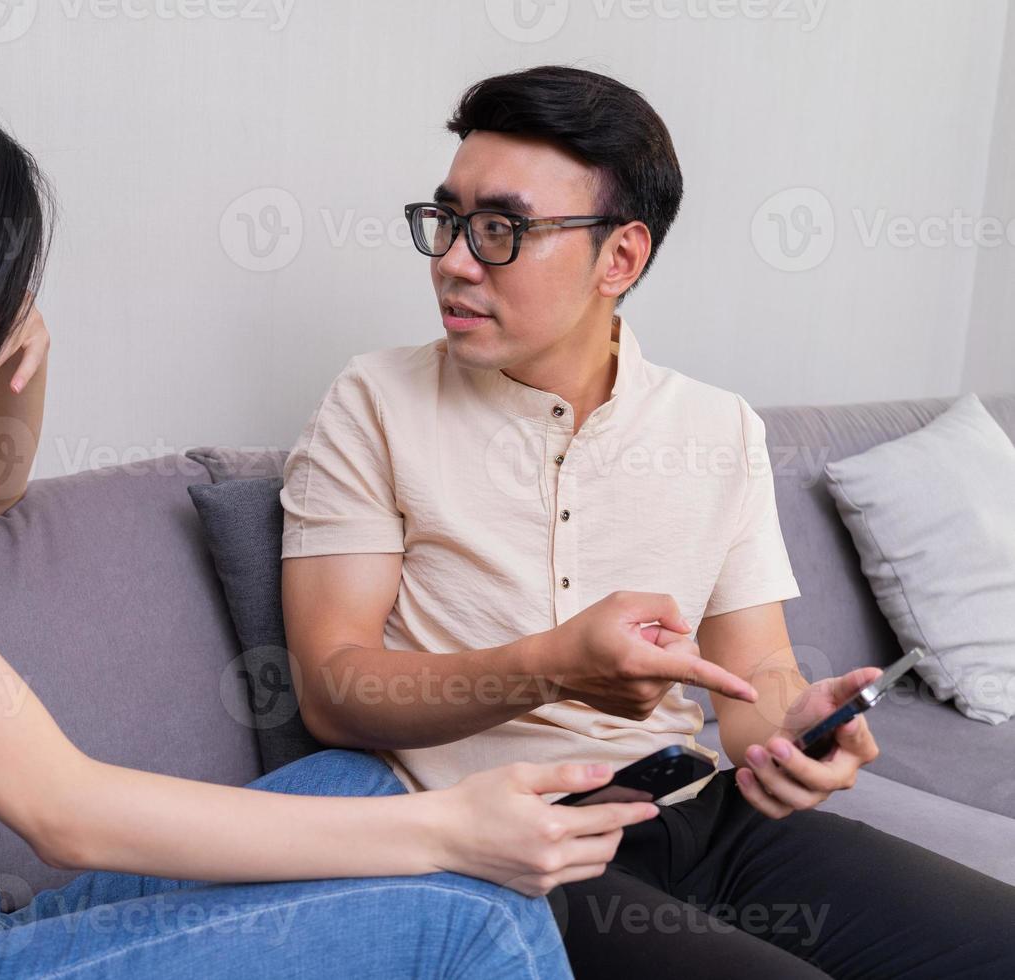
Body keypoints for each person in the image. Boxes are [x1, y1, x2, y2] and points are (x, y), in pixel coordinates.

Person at [0, 54, 672, 979]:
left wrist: (24, 355)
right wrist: (449, 827)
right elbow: (61, 807)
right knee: (465, 913)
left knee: (359, 777)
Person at [278, 65, 1015, 978]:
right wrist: (552, 667)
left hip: (694, 808)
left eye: (502, 229)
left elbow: (756, 688)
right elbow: (333, 691)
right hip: (507, 840)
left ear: (619, 259)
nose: (455, 260)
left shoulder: (716, 427)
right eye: (449, 220)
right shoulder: (373, 400)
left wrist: (801, 732)